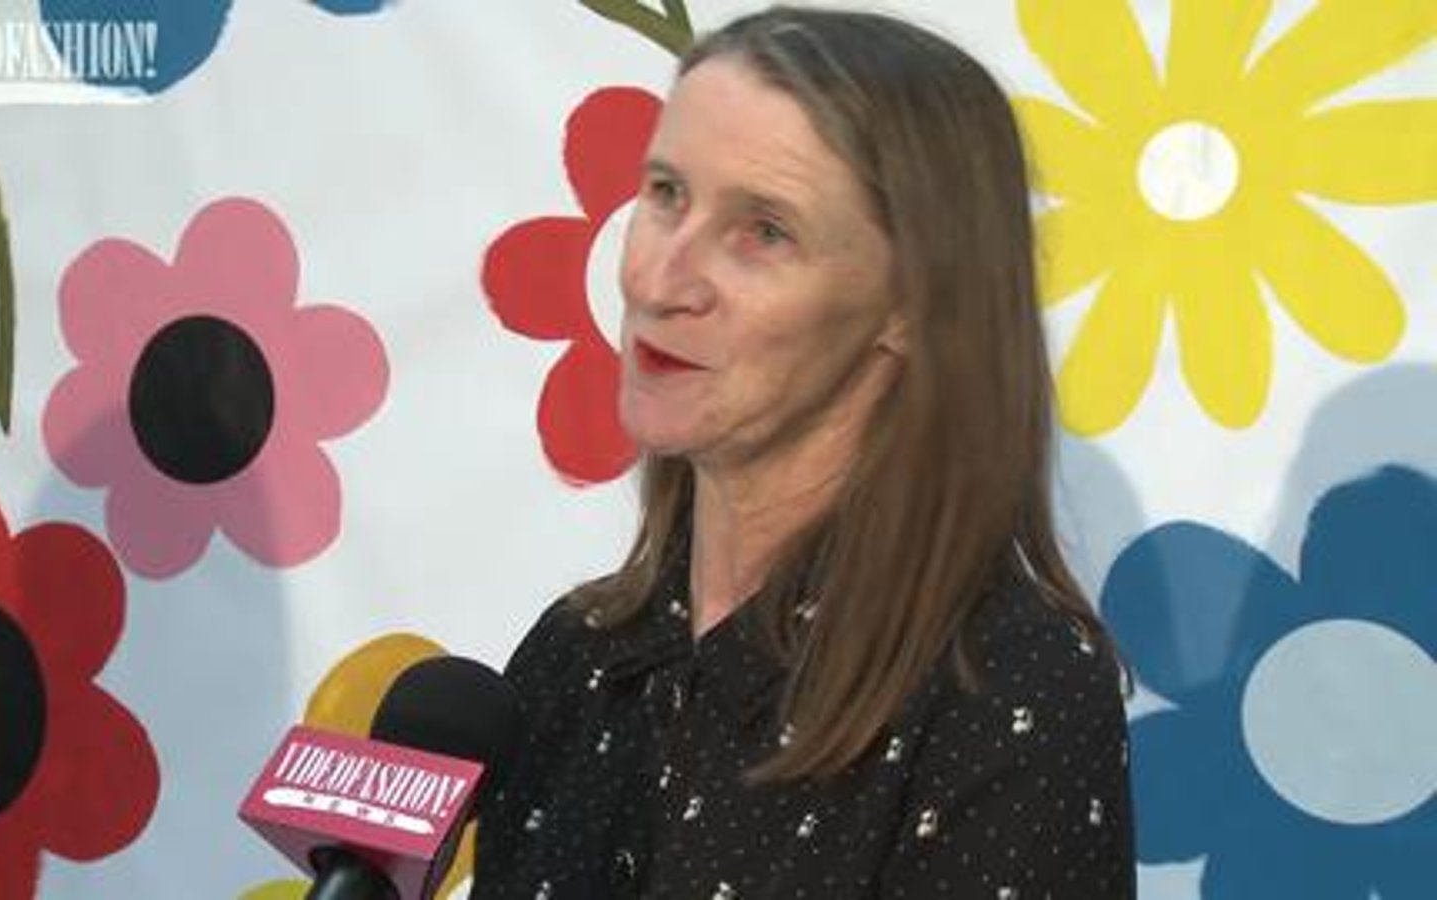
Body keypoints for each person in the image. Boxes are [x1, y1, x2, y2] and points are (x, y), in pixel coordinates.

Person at [473, 6, 1135, 898]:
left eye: (764, 232)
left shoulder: (1008, 690)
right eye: (666, 194)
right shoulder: (575, 658)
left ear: (911, 305)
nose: (660, 281)